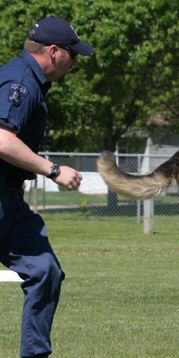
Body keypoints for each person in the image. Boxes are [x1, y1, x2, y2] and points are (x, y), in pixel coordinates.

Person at [0, 16, 93, 357]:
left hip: (9, 202)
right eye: (74, 54)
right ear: (54, 52)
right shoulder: (20, 82)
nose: (76, 63)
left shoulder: (30, 82)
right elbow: (1, 140)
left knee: (45, 272)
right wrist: (53, 170)